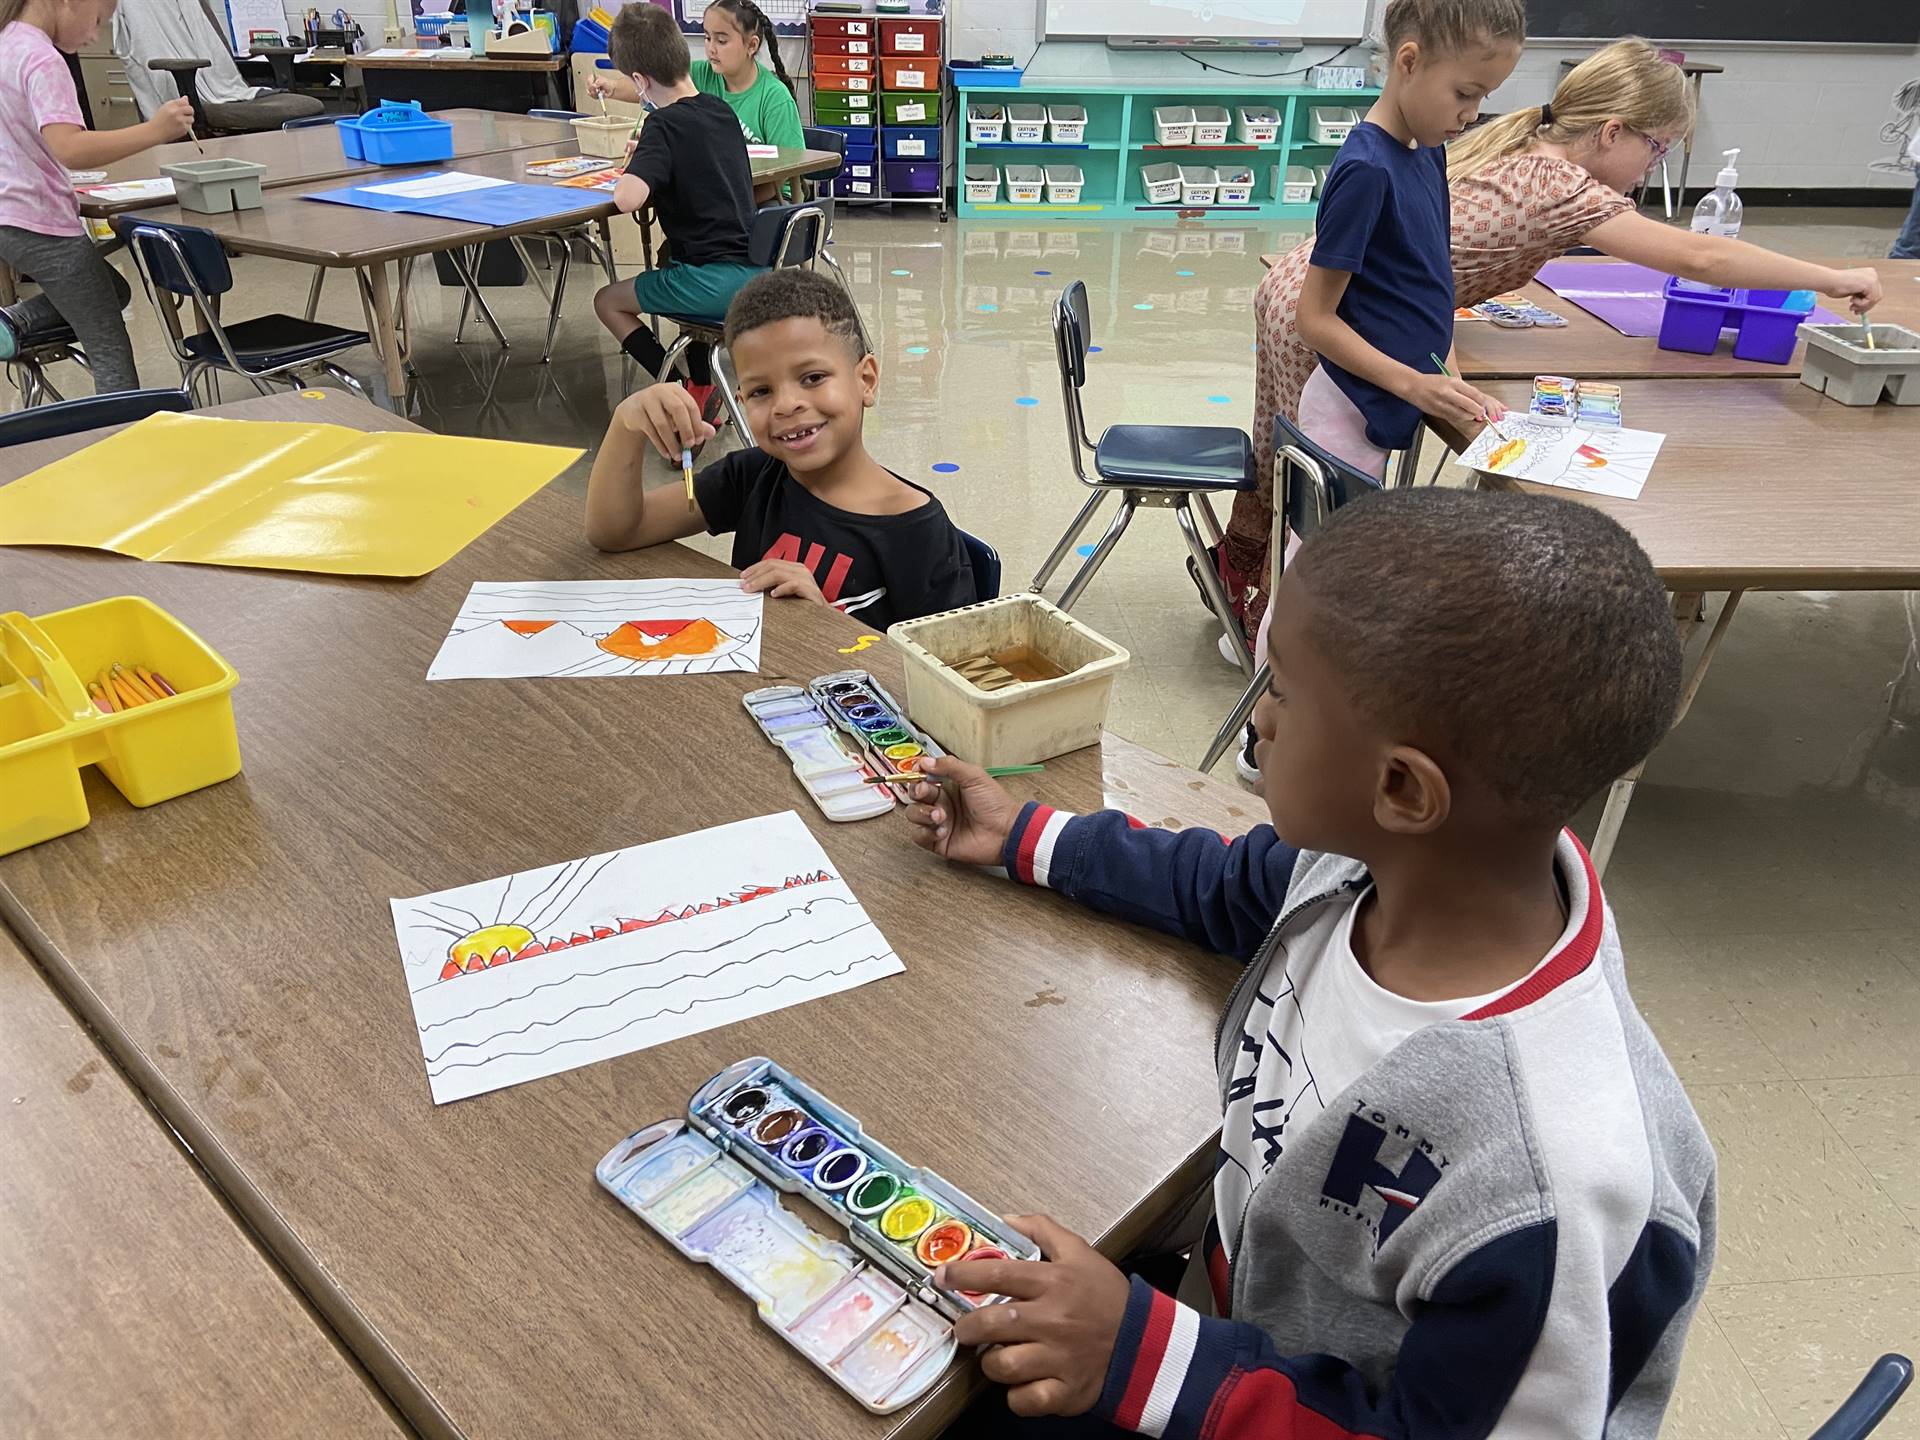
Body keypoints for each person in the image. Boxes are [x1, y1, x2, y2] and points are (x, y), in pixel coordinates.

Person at [908, 487, 1715, 1440]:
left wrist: (1143, 1353)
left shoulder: (1553, 1195)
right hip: (1239, 1316)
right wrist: (1029, 837)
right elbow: (1229, 884)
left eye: (1282, 690)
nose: (1260, 719)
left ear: (1403, 788)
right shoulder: (1379, 867)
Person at [1222, 36, 1886, 643]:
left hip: (1320, 288)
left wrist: (1443, 358)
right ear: (1612, 131)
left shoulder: (1521, 145)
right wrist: (1832, 277)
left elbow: (1435, 271)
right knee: (1310, 493)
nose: (1651, 168)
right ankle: (1274, 639)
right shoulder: (1560, 184)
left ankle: (1246, 597)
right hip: (1340, 311)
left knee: (1283, 462)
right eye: (1655, 149)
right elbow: (1701, 260)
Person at [585, 268, 975, 629]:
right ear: (741, 401)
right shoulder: (753, 476)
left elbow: (946, 685)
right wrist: (625, 424)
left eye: (813, 377)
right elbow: (617, 532)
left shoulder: (920, 534)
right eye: (761, 391)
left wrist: (824, 625)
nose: (786, 405)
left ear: (866, 380)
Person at [0, 0, 194, 392]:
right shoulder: (42, 58)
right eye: (97, 21)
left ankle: (12, 323)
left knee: (111, 290)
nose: (92, 36)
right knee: (109, 349)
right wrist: (156, 130)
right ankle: (121, 435)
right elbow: (70, 147)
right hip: (38, 222)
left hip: (10, 214)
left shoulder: (7, 43)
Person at [589, 2, 761, 417]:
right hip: (758, 268)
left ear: (638, 82)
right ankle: (702, 384)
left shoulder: (661, 126)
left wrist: (635, 162)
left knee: (607, 301)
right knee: (669, 258)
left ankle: (678, 389)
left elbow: (627, 198)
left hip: (711, 282)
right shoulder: (721, 111)